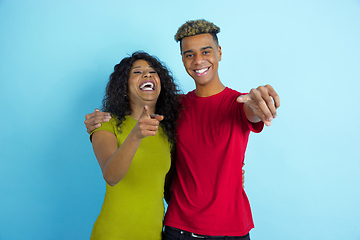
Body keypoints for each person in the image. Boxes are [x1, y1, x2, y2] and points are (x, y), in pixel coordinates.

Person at [85, 20, 280, 240]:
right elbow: (135, 110)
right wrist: (96, 119)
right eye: (189, 54)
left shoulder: (238, 104)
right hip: (179, 230)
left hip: (231, 230)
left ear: (219, 52)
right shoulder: (174, 109)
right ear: (183, 59)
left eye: (206, 51)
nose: (198, 60)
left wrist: (258, 103)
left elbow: (251, 110)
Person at [87, 51, 181, 240]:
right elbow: (111, 176)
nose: (147, 75)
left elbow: (169, 191)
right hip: (113, 234)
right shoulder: (107, 123)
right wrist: (136, 135)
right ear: (124, 87)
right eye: (137, 72)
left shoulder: (167, 131)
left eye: (152, 72)